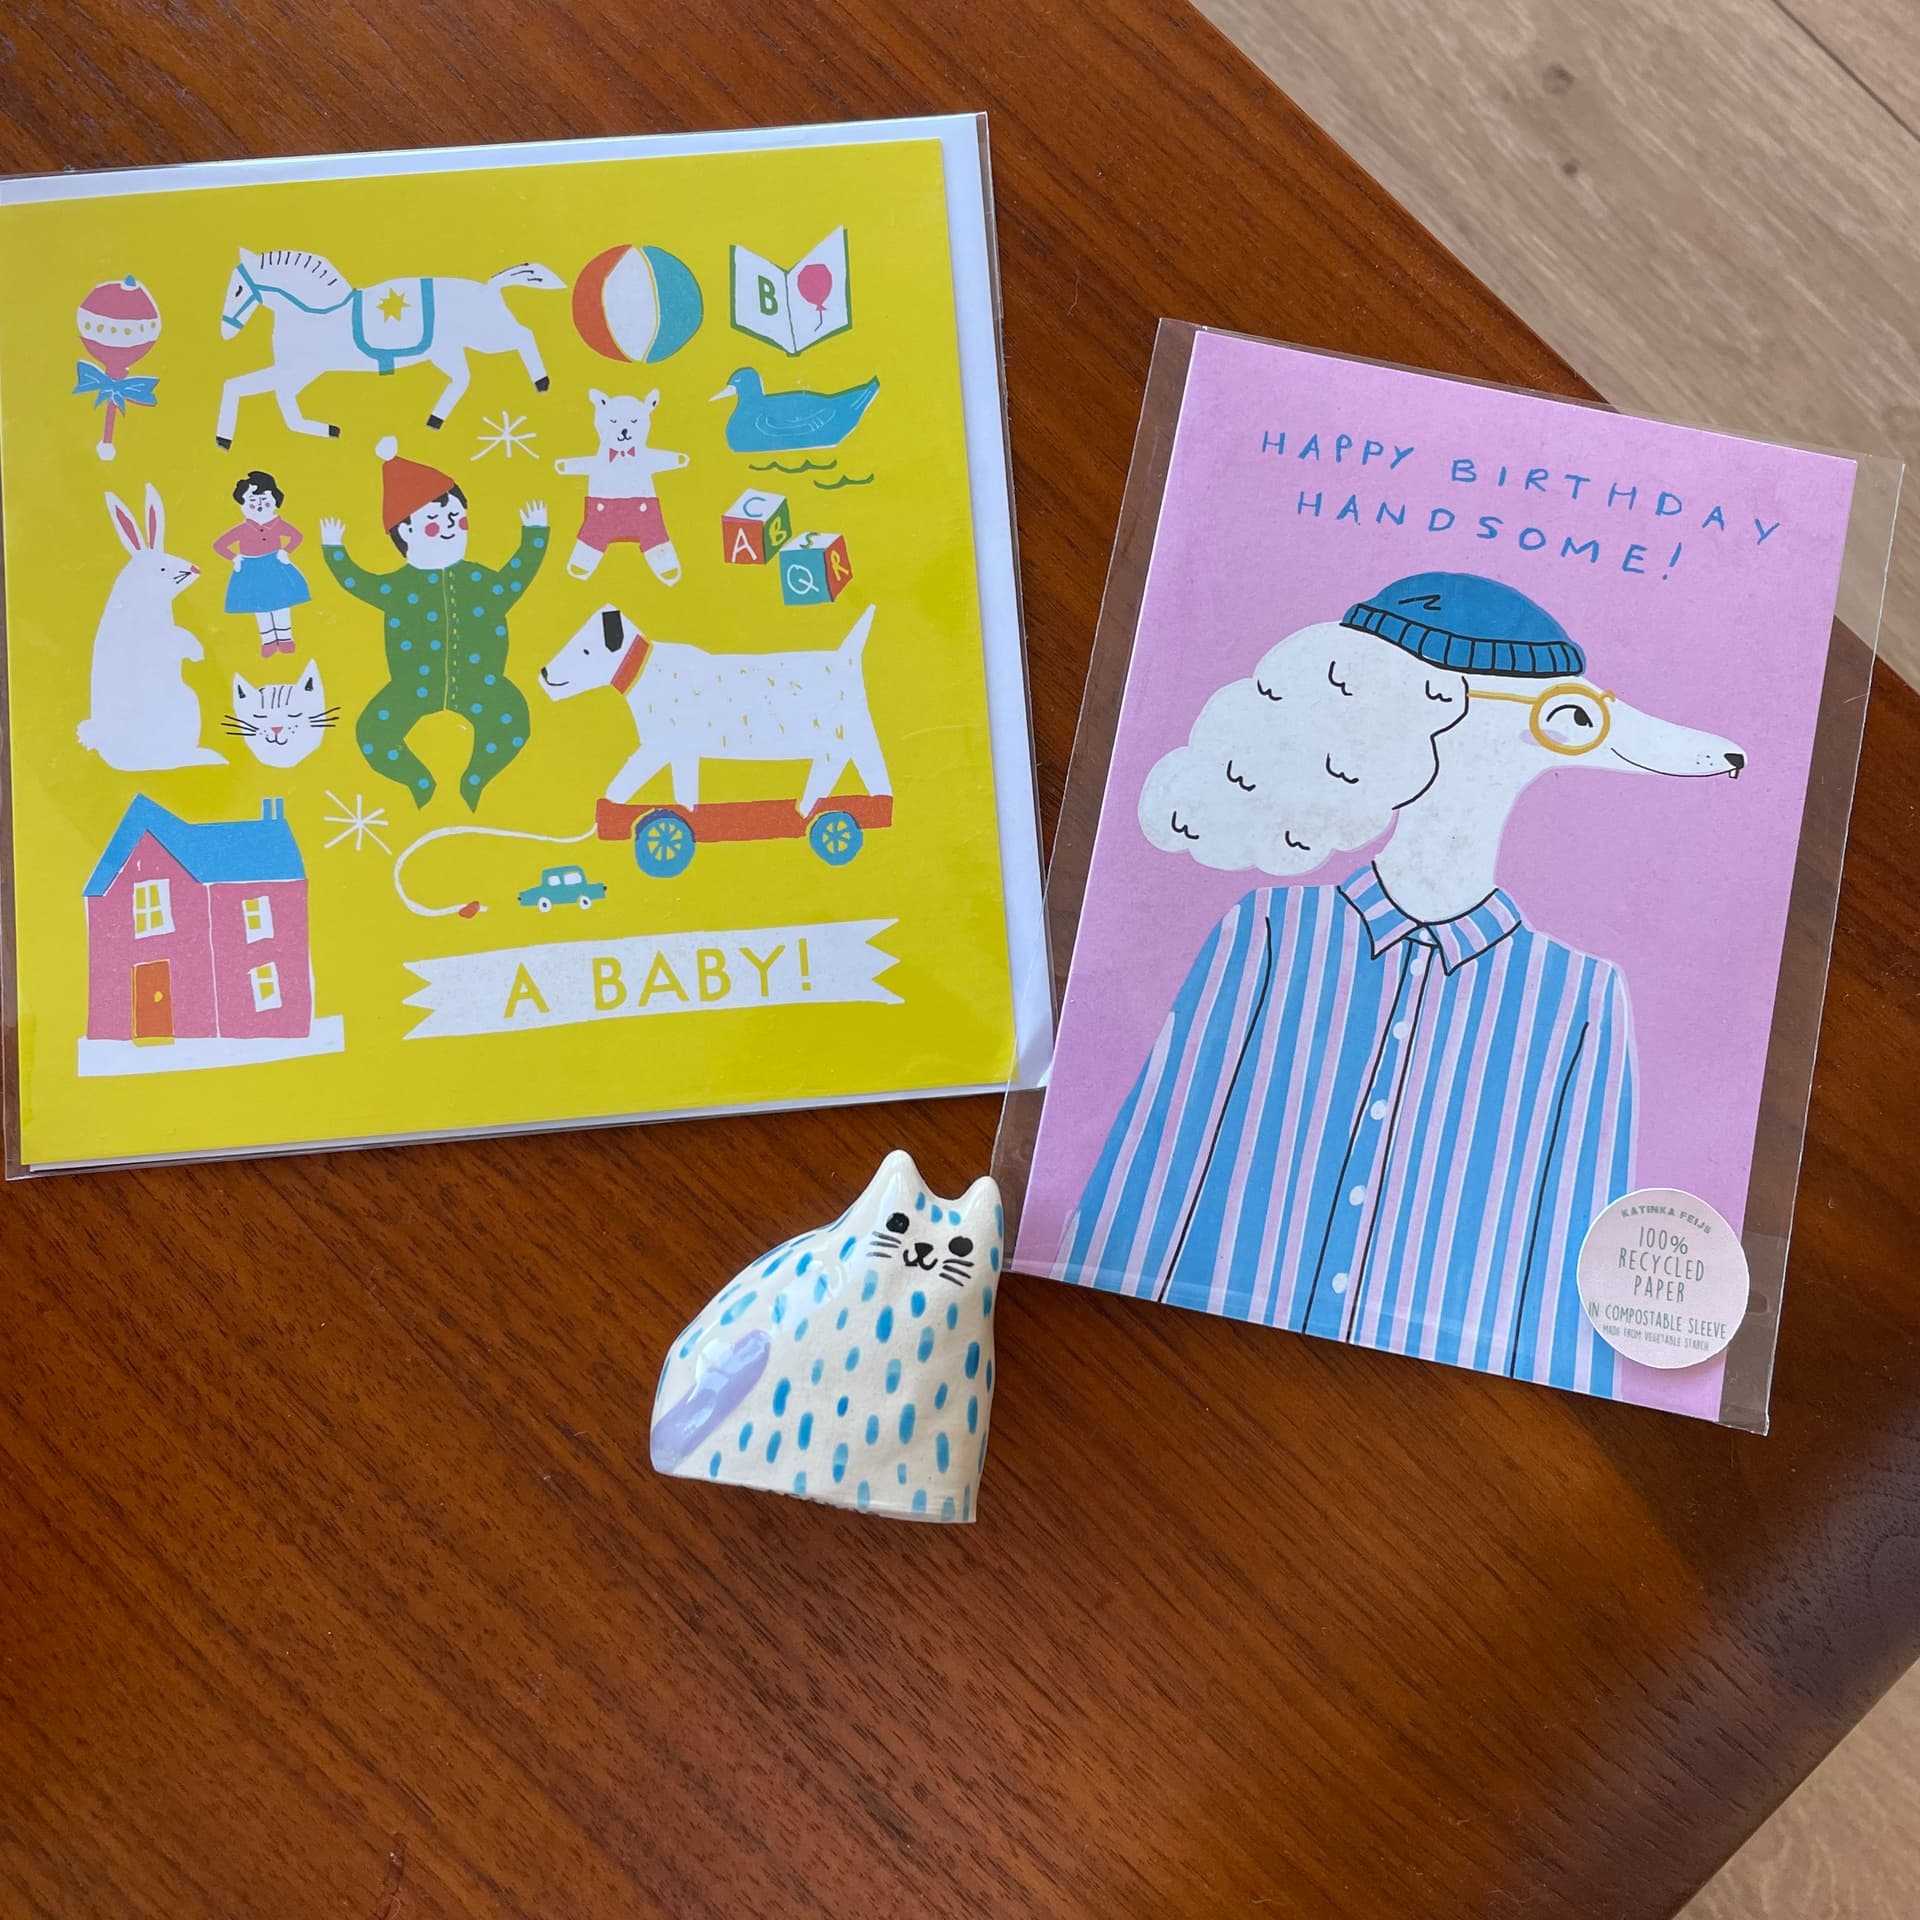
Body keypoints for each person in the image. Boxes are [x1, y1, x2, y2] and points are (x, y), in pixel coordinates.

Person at [213, 471, 310, 656]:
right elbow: (219, 545)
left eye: (264, 499)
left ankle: (285, 638)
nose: (258, 505)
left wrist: (285, 551)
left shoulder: (277, 524)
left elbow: (296, 536)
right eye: (252, 500)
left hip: (275, 566)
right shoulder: (242, 529)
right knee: (260, 607)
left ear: (274, 499)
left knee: (282, 604)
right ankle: (268, 641)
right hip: (251, 570)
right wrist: (234, 557)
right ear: (242, 504)